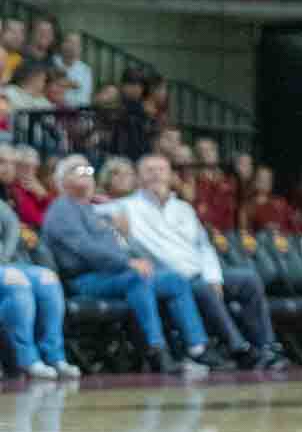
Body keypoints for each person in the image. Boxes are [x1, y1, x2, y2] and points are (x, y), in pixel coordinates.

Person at [42, 153, 214, 374]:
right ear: (63, 180)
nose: (87, 174)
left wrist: (129, 250)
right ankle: (156, 350)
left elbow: (116, 244)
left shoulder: (91, 209)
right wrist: (127, 263)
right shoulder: (62, 209)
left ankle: (197, 347)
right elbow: (86, 250)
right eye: (79, 170)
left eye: (89, 170)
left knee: (174, 279)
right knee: (137, 278)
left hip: (110, 276)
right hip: (84, 279)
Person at [118, 152, 284, 370]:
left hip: (201, 273)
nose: (156, 175)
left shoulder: (184, 209)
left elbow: (204, 247)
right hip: (172, 278)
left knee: (248, 279)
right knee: (202, 288)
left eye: (161, 170)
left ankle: (266, 346)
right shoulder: (125, 208)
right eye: (150, 170)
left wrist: (213, 275)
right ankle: (240, 348)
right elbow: (94, 214)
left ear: (170, 176)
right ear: (139, 177)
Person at [0, 188, 73, 378]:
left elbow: (12, 225)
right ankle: (26, 359)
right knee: (17, 281)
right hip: (8, 271)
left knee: (47, 278)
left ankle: (54, 356)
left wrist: (5, 257)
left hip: (5, 263)